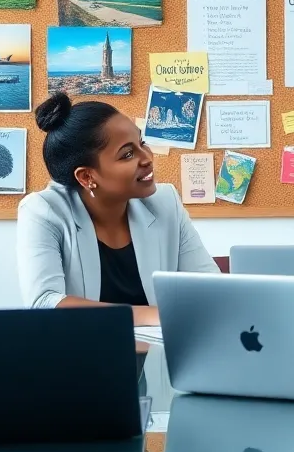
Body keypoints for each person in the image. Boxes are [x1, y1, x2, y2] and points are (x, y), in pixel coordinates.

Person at [17, 92, 219, 323]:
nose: (147, 158)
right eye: (128, 154)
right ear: (87, 176)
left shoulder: (165, 202)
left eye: (142, 143)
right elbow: (44, 302)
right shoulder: (44, 211)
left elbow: (209, 287)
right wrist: (156, 315)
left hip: (161, 353)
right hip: (84, 353)